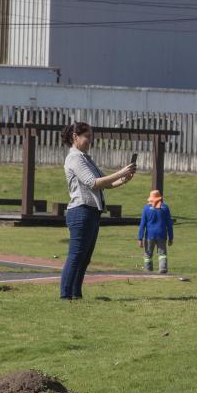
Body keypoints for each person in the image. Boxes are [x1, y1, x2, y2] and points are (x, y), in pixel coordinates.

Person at [60, 122, 136, 300]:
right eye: (87, 136)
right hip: (80, 211)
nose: (90, 140)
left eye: (90, 137)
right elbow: (93, 182)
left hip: (92, 212)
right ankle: (65, 295)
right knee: (76, 255)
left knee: (85, 257)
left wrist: (124, 179)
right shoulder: (75, 158)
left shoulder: (85, 158)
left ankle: (76, 294)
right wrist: (120, 172)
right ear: (75, 137)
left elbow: (104, 183)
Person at [137, 189, 174, 273]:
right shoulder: (165, 208)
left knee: (148, 254)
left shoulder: (146, 208)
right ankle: (163, 269)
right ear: (159, 198)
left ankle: (148, 269)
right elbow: (169, 224)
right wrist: (171, 237)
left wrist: (140, 238)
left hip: (150, 235)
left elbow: (142, 224)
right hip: (162, 234)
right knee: (162, 254)